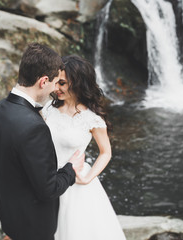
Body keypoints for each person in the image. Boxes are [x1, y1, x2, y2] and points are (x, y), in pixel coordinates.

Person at [0, 43, 85, 240]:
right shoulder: (34, 127)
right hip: (32, 226)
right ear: (43, 81)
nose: (54, 89)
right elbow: (49, 189)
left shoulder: (0, 109)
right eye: (55, 82)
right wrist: (71, 168)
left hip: (9, 215)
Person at [41, 55, 126, 240]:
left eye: (62, 83)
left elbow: (106, 152)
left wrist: (88, 178)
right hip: (47, 180)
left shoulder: (92, 118)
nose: (56, 88)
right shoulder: (48, 108)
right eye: (56, 82)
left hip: (75, 185)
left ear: (77, 83)